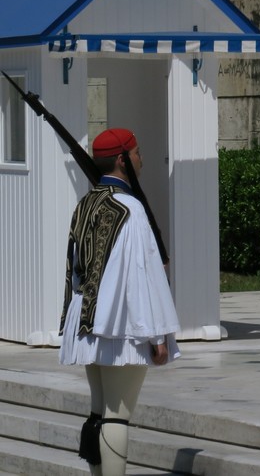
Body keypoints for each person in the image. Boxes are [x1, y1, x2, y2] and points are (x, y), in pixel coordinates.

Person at [59, 128, 180, 475]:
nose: (142, 159)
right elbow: (142, 276)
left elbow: (73, 266)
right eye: (138, 153)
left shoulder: (86, 203)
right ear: (121, 160)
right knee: (117, 415)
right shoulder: (130, 208)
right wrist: (157, 336)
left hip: (85, 320)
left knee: (99, 411)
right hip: (121, 326)